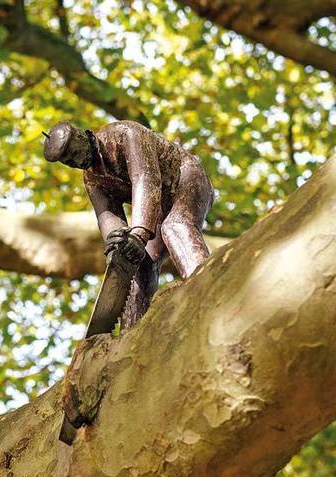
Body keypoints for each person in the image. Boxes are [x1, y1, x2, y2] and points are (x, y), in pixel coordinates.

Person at [43, 120, 213, 326]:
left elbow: (146, 178)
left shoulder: (124, 133)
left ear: (82, 136)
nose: (76, 162)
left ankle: (208, 285)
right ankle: (133, 331)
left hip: (185, 180)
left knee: (175, 226)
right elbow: (106, 214)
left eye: (75, 153)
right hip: (157, 206)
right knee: (139, 262)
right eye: (69, 162)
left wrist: (139, 233)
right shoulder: (92, 179)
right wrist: (117, 242)